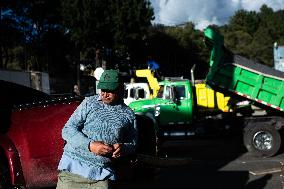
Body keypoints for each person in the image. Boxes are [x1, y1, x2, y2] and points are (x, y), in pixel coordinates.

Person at [56, 69, 138, 189]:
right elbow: (67, 130)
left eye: (110, 91)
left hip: (102, 176)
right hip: (72, 172)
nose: (105, 94)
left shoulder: (128, 114)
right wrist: (90, 145)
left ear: (120, 88)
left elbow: (133, 144)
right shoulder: (89, 103)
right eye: (103, 90)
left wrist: (122, 148)